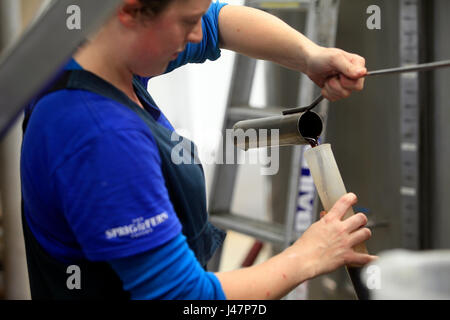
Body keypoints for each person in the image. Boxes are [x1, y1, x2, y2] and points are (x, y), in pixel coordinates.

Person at [20, 0, 376, 300]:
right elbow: (184, 297)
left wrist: (308, 56)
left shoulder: (97, 57)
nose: (196, 34)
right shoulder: (102, 139)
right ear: (130, 11)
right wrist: (308, 256)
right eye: (186, 22)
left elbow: (216, 22)